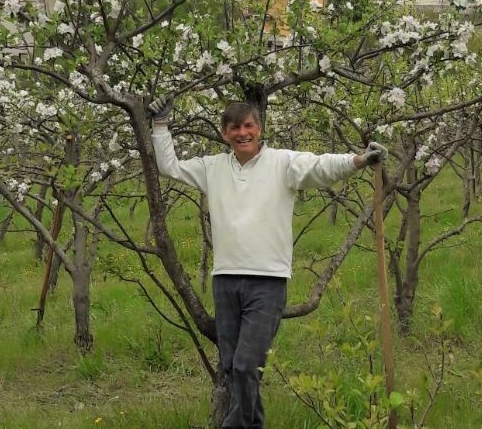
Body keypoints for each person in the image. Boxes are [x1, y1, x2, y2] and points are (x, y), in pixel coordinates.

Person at [148, 96, 386, 429]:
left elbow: (321, 167)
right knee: (232, 366)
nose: (242, 133)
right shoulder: (212, 168)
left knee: (247, 365)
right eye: (235, 128)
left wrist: (359, 160)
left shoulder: (283, 163)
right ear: (224, 133)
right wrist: (159, 125)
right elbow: (168, 166)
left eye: (248, 126)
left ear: (259, 129)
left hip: (267, 281)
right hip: (226, 280)